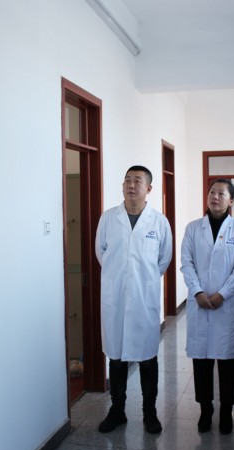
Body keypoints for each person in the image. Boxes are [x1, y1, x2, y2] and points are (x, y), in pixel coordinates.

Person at [95, 165, 173, 434]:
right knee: (116, 358)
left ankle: (150, 413)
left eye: (137, 181)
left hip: (144, 298)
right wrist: (120, 277)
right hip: (115, 298)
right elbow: (101, 253)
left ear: (148, 188)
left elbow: (164, 259)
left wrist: (141, 279)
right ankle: (117, 411)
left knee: (148, 358)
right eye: (127, 180)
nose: (130, 185)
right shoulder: (109, 219)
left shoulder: (159, 222)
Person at [180, 179, 234, 434]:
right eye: (212, 192)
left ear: (231, 200)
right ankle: (205, 409)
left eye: (222, 193)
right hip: (200, 303)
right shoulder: (193, 228)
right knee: (202, 361)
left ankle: (226, 411)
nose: (215, 197)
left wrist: (223, 294)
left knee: (229, 362)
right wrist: (197, 292)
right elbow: (186, 263)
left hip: (227, 305)